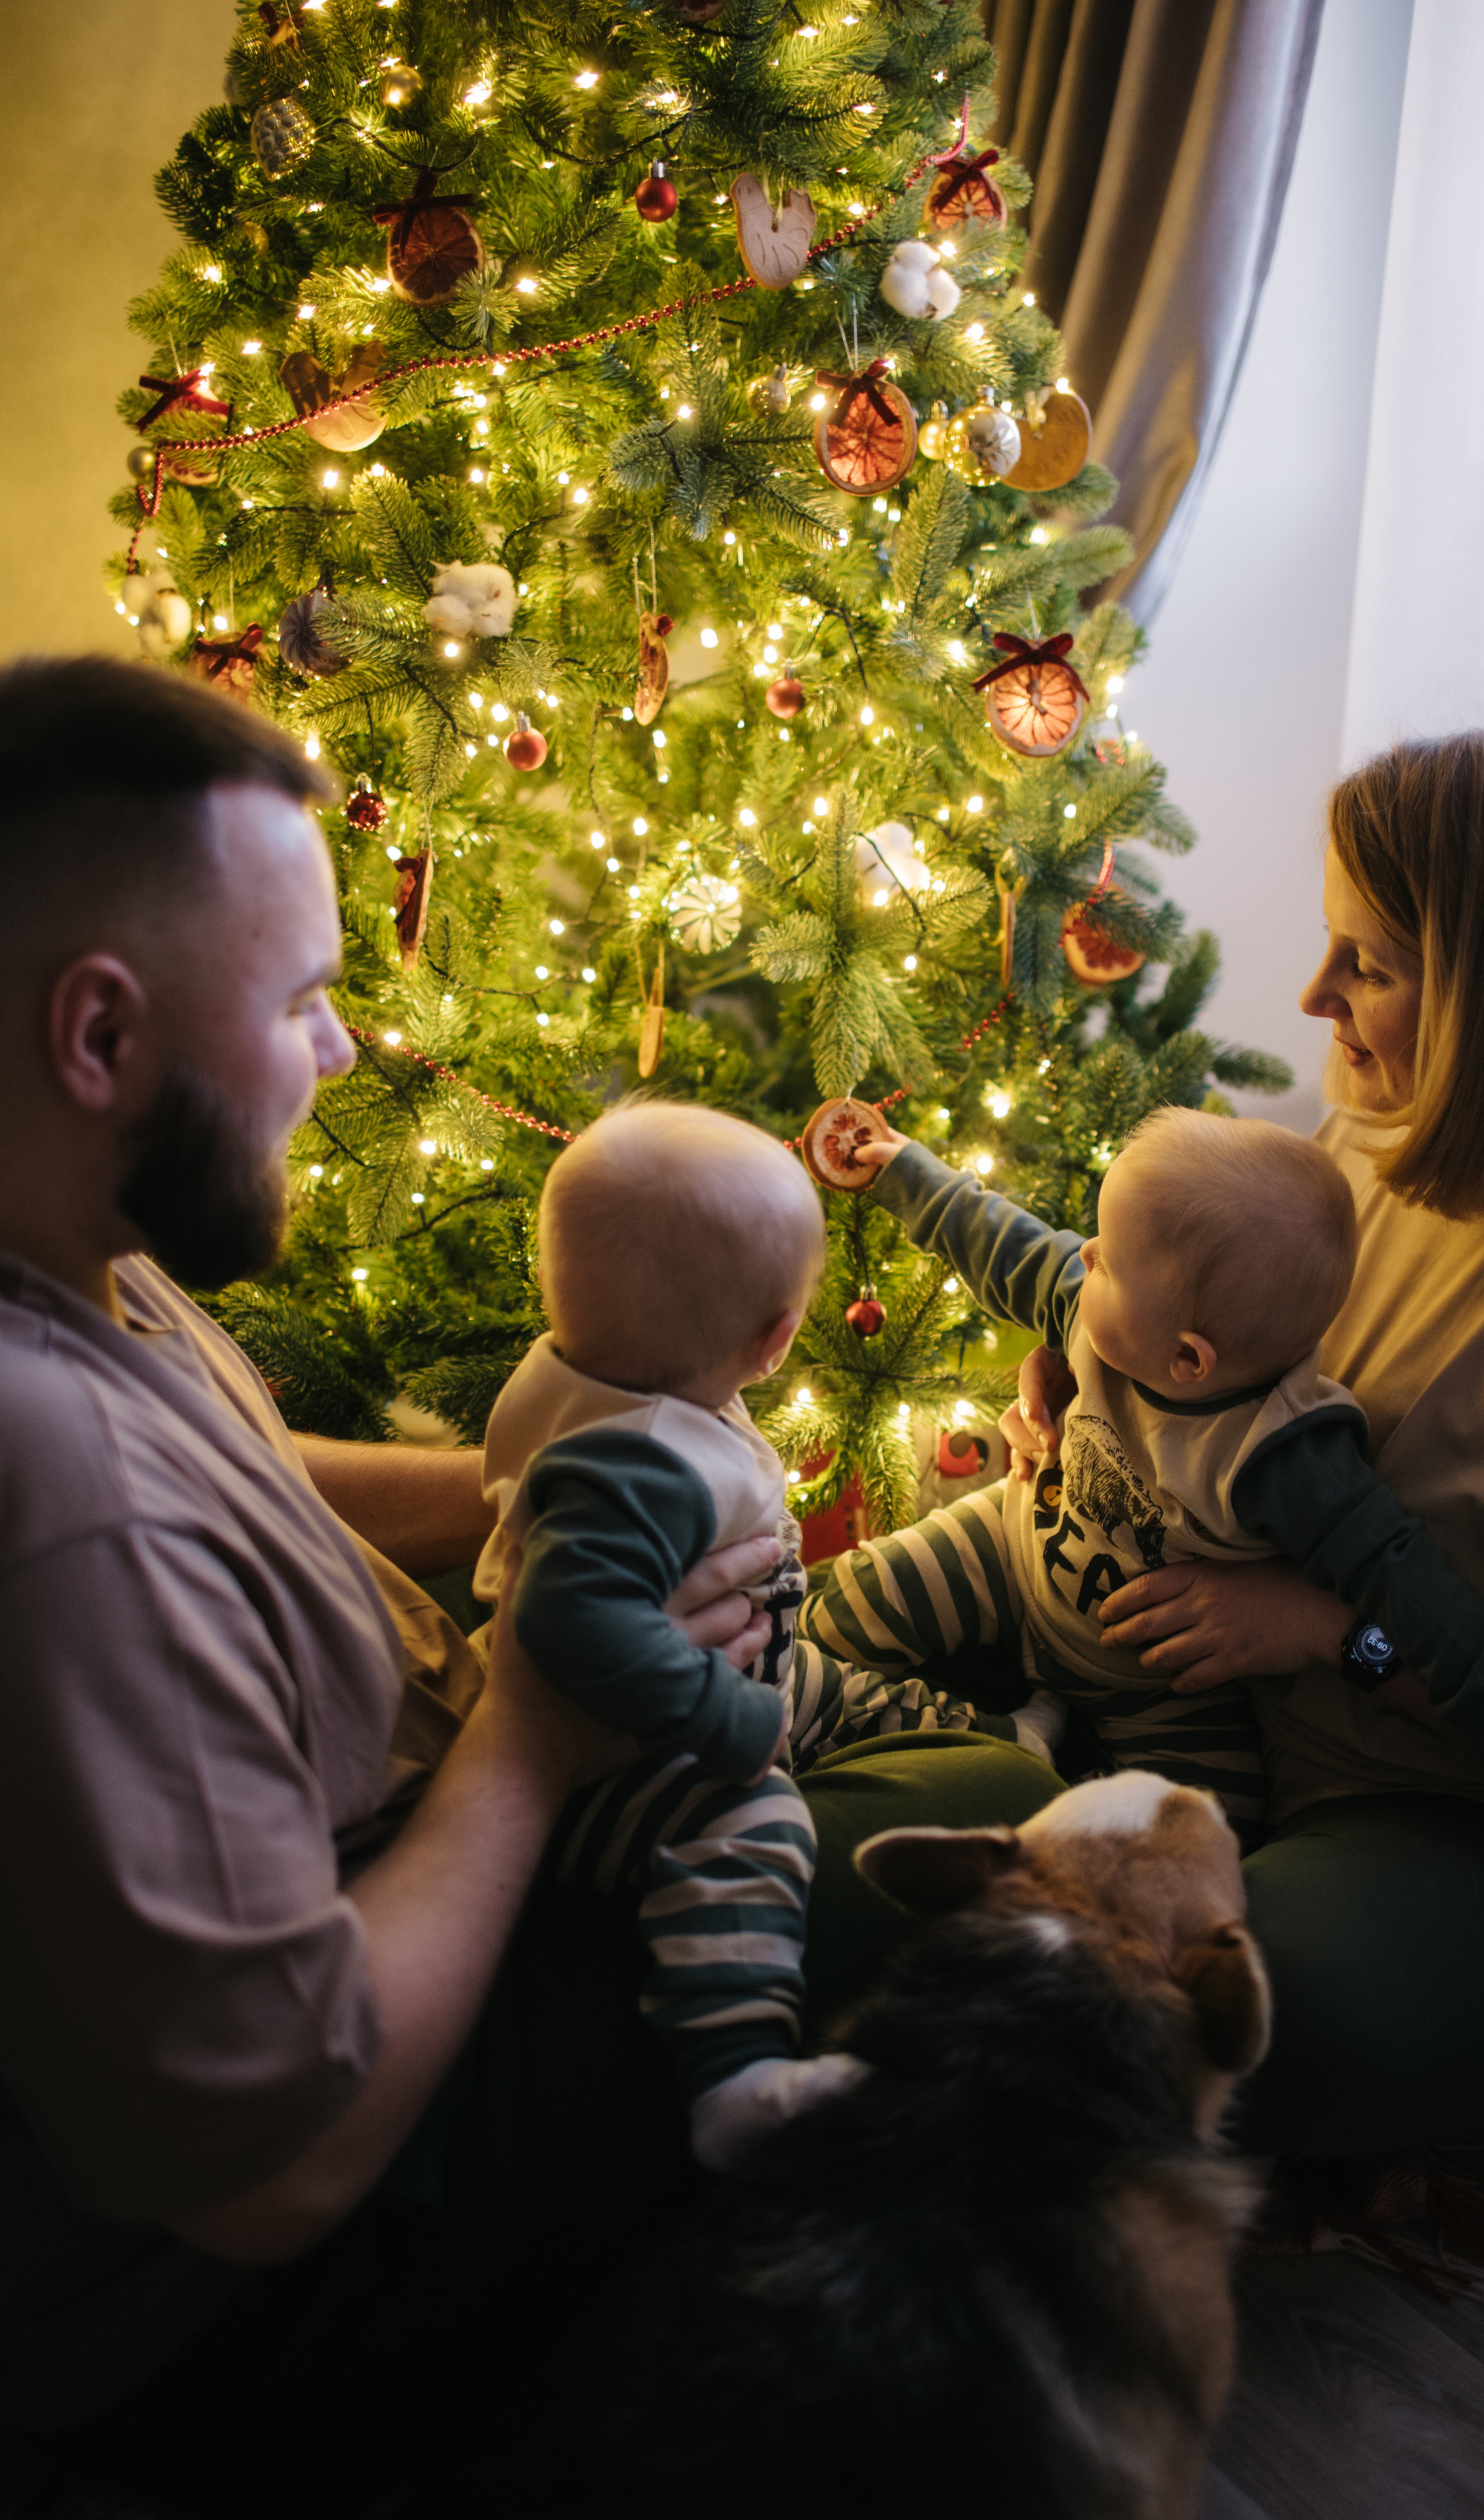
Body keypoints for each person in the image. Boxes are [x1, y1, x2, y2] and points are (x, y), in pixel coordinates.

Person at [0, 657, 800, 2494]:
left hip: (394, 1886)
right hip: (227, 2304)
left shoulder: (69, 1229)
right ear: (100, 1036)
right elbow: (272, 2173)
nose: (346, 1049)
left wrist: (527, 1486)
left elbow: (237, 1467)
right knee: (919, 1896)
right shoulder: (57, 1490)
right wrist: (534, 1730)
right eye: (301, 999)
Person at [986, 727, 1484, 2153]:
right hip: (1239, 1728)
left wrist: (1325, 1632)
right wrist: (1100, 1387)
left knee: (1192, 2008)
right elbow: (1230, 1380)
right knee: (925, 1850)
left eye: (1367, 965)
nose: (1312, 997)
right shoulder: (1378, 1128)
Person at [808, 1101, 1484, 1828]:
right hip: (1007, 1554)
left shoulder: (1281, 1457)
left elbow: (1413, 1588)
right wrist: (902, 1169)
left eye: (1108, 1262)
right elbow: (1003, 1243)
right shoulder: (1088, 1307)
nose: (1083, 1254)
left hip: (1155, 1682)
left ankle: (1038, 1764)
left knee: (1215, 1817)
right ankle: (976, 1734)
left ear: (1187, 1359)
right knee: (847, 1605)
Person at [472, 1102, 973, 2170]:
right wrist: (728, 1721)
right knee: (756, 1824)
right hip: (625, 1764)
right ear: (775, 1341)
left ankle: (996, 1733)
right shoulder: (646, 1458)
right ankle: (736, 2076)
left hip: (732, 1657)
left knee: (838, 1683)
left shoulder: (580, 1369)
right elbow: (567, 1618)